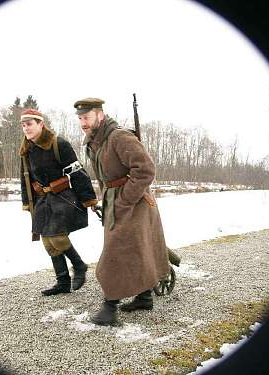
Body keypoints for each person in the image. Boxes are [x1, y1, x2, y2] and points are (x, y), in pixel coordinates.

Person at [74, 97, 171, 326]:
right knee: (138, 250)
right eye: (80, 118)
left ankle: (110, 306)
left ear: (100, 115)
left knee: (113, 254)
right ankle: (145, 297)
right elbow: (103, 176)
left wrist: (124, 200)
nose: (83, 123)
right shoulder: (93, 141)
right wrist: (106, 199)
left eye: (86, 117)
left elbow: (146, 170)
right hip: (115, 201)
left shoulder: (119, 137)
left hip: (134, 204)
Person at [19, 108, 98, 296]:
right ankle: (62, 282)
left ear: (40, 124)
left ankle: (79, 266)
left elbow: (77, 172)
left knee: (56, 236)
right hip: (42, 200)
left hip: (63, 198)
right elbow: (25, 178)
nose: (26, 128)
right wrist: (27, 202)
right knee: (47, 241)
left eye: (29, 124)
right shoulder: (26, 149)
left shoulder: (58, 144)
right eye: (23, 125)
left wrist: (89, 199)